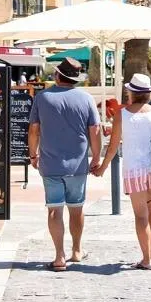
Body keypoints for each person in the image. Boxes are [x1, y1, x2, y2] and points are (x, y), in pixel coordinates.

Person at [28, 57, 101, 272]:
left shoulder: (43, 98)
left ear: (58, 75)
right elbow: (95, 130)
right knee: (76, 209)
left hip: (50, 163)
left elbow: (34, 130)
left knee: (54, 209)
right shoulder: (86, 98)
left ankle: (59, 257)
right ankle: (77, 251)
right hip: (78, 164)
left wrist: (33, 155)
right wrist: (96, 157)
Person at [95, 74, 151, 270]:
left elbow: (113, 147)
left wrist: (103, 168)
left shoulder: (122, 115)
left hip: (134, 171)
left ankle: (146, 259)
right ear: (148, 94)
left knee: (140, 216)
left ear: (131, 92)